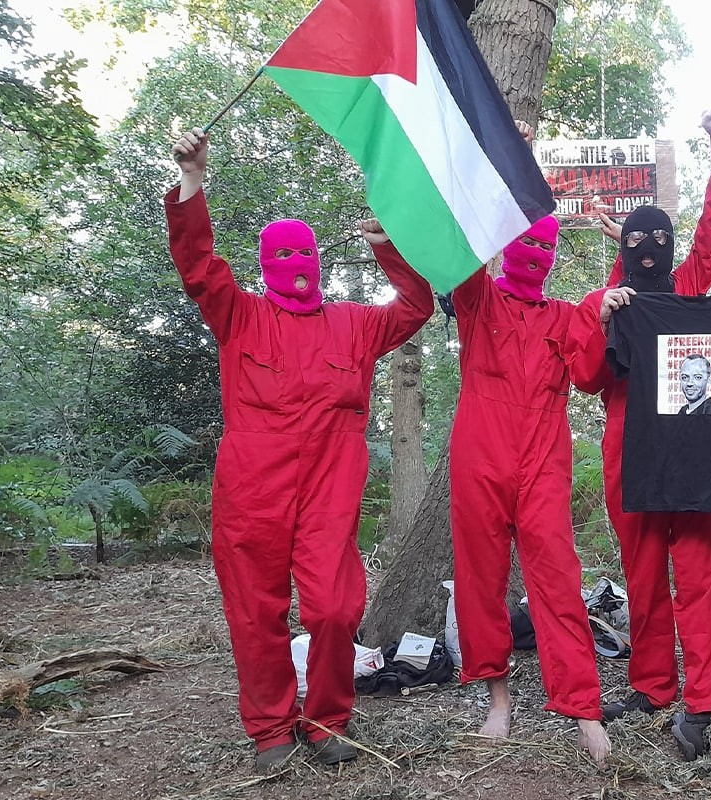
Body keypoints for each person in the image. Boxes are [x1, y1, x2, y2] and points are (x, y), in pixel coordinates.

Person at [167, 127, 434, 772]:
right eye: (283, 254)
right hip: (251, 490)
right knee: (255, 612)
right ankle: (270, 730)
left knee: (335, 608)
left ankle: (327, 719)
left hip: (328, 493)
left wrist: (389, 247)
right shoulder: (241, 316)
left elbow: (416, 306)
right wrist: (193, 180)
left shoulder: (354, 323)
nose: (297, 263)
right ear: (265, 264)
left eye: (305, 252)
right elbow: (199, 268)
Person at [566, 110, 711, 761]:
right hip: (629, 453)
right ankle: (652, 684)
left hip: (690, 455)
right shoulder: (606, 299)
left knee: (696, 575)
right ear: (623, 248)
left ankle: (704, 695)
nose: (647, 250)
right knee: (642, 576)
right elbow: (586, 378)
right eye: (635, 240)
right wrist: (602, 319)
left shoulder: (687, 287)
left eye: (657, 239)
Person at [447, 122, 611, 767]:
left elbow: (591, 376)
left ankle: (583, 707)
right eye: (527, 242)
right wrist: (500, 156)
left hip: (542, 462)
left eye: (547, 246)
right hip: (480, 457)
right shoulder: (477, 301)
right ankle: (497, 697)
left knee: (558, 578)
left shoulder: (565, 316)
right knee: (480, 579)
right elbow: (464, 234)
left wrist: (604, 312)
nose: (536, 253)